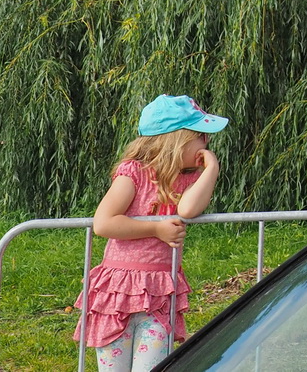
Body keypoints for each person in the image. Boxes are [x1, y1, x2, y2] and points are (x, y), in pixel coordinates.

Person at [77, 95, 226, 371]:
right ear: (177, 140)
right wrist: (156, 228)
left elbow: (188, 209)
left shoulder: (188, 179)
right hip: (118, 292)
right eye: (201, 135)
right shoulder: (133, 174)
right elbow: (104, 223)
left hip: (159, 292)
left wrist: (212, 168)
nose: (206, 142)